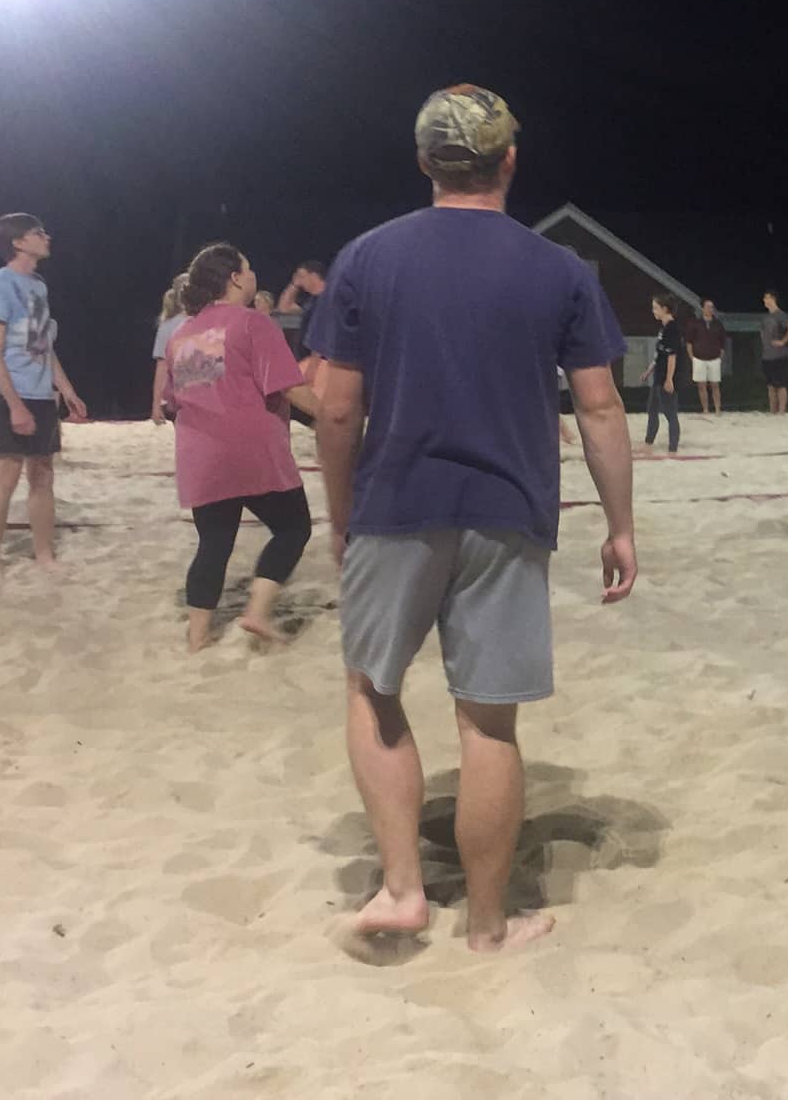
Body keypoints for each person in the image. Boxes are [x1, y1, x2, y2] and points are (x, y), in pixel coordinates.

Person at [306, 83, 635, 953]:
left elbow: (336, 410)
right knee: (488, 722)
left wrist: (342, 516)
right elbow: (600, 410)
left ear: (424, 162)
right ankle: (488, 925)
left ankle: (404, 892)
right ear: (510, 160)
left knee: (374, 690)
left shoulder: (367, 258)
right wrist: (620, 525)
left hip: (396, 505)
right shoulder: (560, 270)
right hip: (511, 509)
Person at [167, 243, 318, 651]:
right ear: (234, 278)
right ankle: (257, 612)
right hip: (252, 448)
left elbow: (173, 400)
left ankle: (197, 637)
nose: (252, 276)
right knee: (293, 529)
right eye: (248, 269)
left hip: (198, 451)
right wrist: (331, 419)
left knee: (214, 542)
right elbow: (288, 387)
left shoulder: (181, 334)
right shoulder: (251, 323)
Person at [0, 213, 87, 567]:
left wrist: (66, 389)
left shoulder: (38, 285)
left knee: (43, 473)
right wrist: (15, 405)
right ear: (18, 242)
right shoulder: (3, 283)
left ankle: (44, 553)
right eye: (38, 233)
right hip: (11, 392)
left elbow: (43, 346)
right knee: (6, 474)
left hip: (40, 393)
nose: (46, 237)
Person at [637, 293, 682, 454]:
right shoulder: (663, 328)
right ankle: (648, 443)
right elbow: (659, 355)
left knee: (670, 413)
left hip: (666, 377)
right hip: (658, 376)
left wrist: (669, 379)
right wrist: (648, 371)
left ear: (665, 309)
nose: (653, 311)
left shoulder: (673, 329)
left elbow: (672, 356)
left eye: (655, 308)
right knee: (652, 410)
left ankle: (673, 448)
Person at [151, 273, 189, 426]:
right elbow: (162, 367)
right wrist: (156, 404)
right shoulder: (169, 325)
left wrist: (156, 404)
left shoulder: (167, 325)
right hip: (185, 400)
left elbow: (162, 367)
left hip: (180, 399)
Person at [685, 298, 726, 415]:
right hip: (698, 358)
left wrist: (720, 357)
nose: (710, 309)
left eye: (712, 307)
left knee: (715, 385)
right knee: (701, 385)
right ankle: (705, 409)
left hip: (714, 358)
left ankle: (718, 409)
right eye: (708, 306)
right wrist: (692, 357)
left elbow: (723, 342)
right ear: (702, 308)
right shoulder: (695, 323)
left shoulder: (718, 324)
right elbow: (689, 342)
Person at [760, 290, 788, 414]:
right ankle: (772, 411)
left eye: (767, 298)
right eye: (764, 298)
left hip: (780, 356)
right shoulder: (765, 318)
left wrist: (783, 341)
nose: (764, 300)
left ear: (773, 299)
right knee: (770, 386)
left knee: (780, 385)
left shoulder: (781, 315)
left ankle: (781, 412)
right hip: (767, 356)